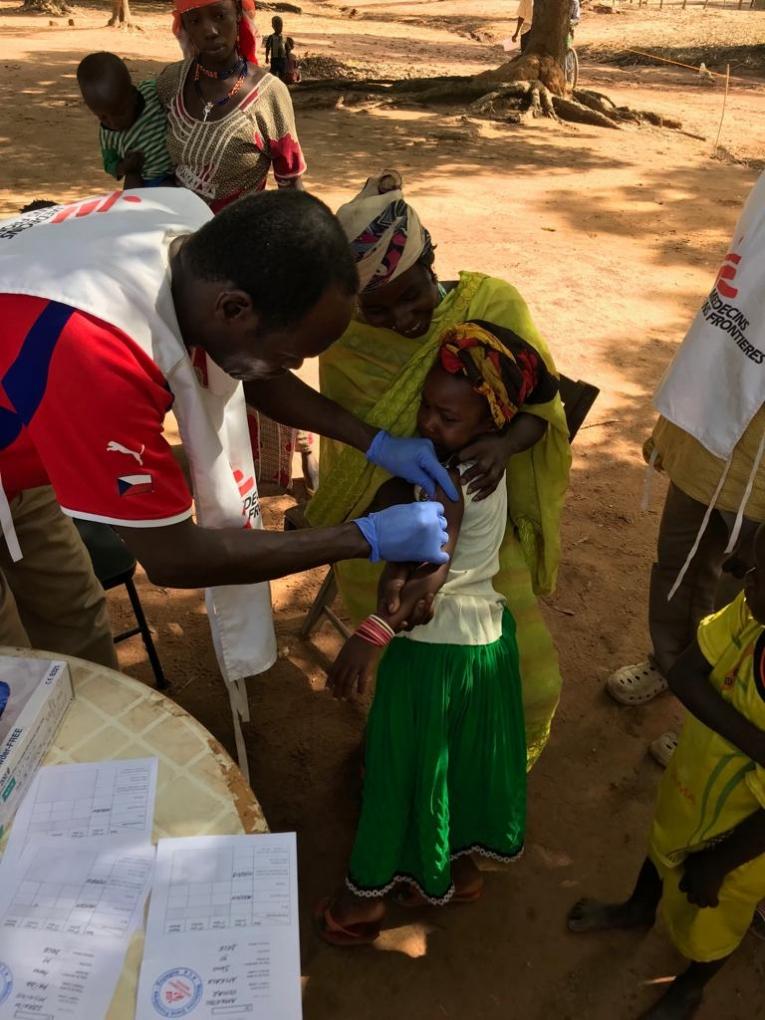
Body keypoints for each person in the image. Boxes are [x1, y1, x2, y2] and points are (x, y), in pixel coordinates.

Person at [0, 188, 458, 689]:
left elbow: (253, 362)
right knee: (9, 667)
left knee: (71, 609)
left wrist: (373, 441)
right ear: (234, 310)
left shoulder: (191, 230)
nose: (291, 370)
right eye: (289, 357)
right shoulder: (97, 359)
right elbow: (174, 557)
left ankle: (88, 745)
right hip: (36, 405)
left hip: (19, 457)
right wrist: (362, 537)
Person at [303, 171, 571, 769]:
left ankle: (478, 769)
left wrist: (502, 447)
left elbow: (542, 408)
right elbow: (353, 450)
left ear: (432, 262)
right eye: (378, 310)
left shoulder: (492, 307)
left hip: (481, 523)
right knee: (415, 679)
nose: (401, 321)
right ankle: (419, 759)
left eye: (411, 296)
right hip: (382, 516)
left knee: (528, 685)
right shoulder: (345, 341)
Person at [317, 321, 554, 944]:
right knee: (456, 763)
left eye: (446, 417)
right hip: (485, 643)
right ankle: (455, 870)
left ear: (488, 421)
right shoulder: (491, 455)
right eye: (427, 406)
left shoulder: (448, 476)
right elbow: (542, 413)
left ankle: (359, 906)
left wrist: (372, 631)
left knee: (399, 766)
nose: (427, 424)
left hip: (430, 656)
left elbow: (431, 574)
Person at [568, 525, 765, 1020]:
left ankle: (691, 985)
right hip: (689, 781)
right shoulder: (748, 616)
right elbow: (684, 675)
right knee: (661, 844)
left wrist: (718, 863)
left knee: (715, 917)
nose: (750, 580)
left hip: (744, 847)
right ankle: (639, 908)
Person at [606, 173, 765, 768]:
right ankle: (669, 661)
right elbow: (728, 303)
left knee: (748, 586)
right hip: (713, 420)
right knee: (680, 555)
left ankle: (717, 717)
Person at [156, 0, 306, 212]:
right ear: (186, 26)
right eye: (195, 20)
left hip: (237, 236)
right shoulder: (171, 82)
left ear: (237, 13)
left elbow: (291, 186)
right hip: (173, 228)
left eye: (219, 16)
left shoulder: (269, 95)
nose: (209, 31)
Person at [77, 52, 175, 190]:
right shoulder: (107, 136)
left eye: (120, 113)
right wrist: (124, 167)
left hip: (180, 166)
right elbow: (109, 164)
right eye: (103, 117)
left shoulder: (151, 93)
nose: (113, 122)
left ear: (133, 95)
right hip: (151, 179)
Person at [264, 16, 287, 81]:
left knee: (282, 74)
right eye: (278, 26)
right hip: (274, 59)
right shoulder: (271, 37)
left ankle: (282, 85)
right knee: (273, 73)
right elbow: (267, 48)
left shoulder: (283, 37)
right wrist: (266, 57)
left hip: (282, 59)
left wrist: (288, 58)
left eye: (281, 26)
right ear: (273, 27)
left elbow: (286, 48)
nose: (280, 28)